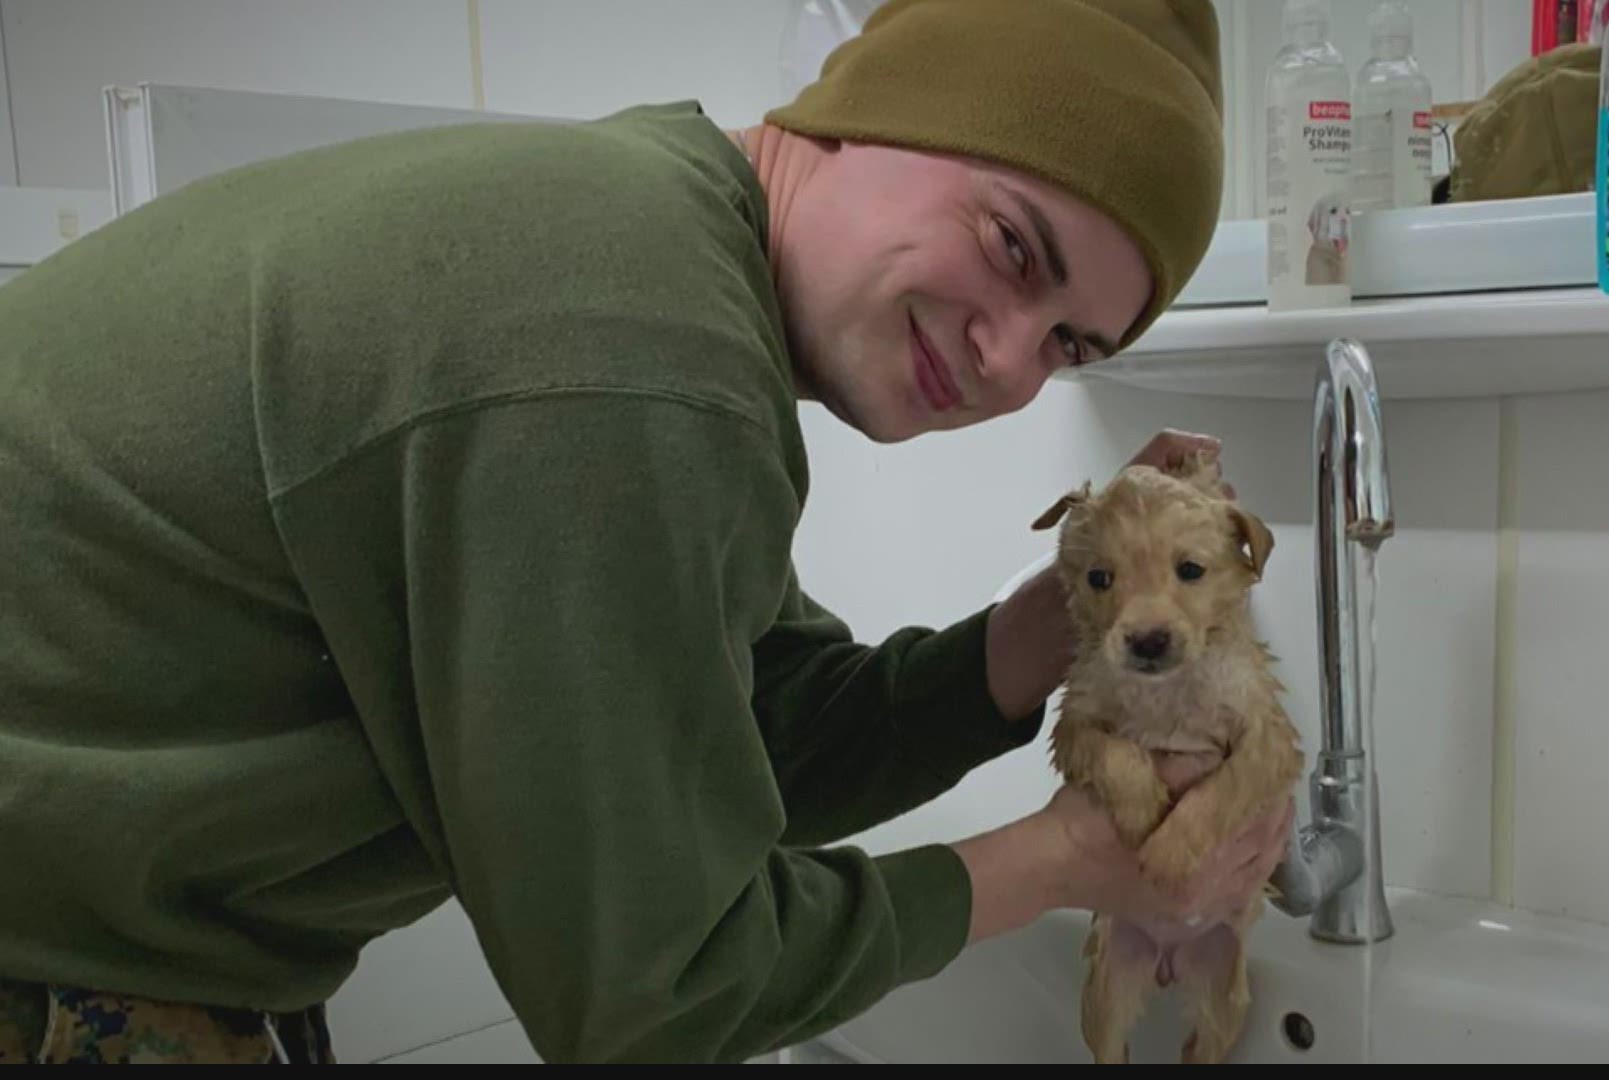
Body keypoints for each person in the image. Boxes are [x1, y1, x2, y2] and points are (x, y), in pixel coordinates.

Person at [0, 0, 1291, 1064]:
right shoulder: (620, 350)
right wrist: (1068, 858)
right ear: (864, 121)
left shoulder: (638, 247)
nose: (1010, 359)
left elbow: (741, 748)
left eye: (1071, 343)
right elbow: (657, 994)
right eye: (1013, 247)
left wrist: (1035, 639)